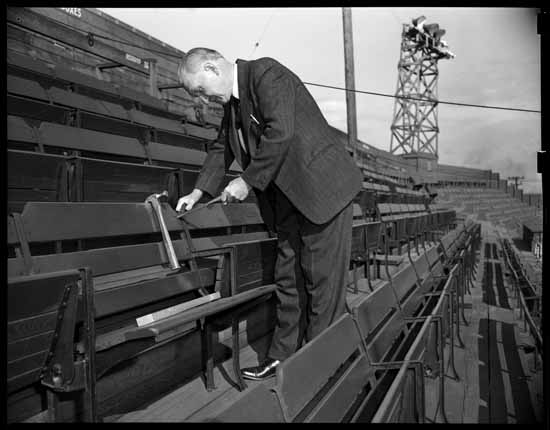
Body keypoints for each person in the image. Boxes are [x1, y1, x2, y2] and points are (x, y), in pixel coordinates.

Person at [176, 48, 363, 381]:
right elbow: (222, 147)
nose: (202, 100)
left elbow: (281, 132)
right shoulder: (232, 106)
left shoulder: (266, 74)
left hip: (323, 192)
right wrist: (197, 192)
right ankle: (282, 358)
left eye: (200, 90)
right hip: (287, 201)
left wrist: (246, 181)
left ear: (211, 67)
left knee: (322, 285)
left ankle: (321, 368)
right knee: (288, 279)